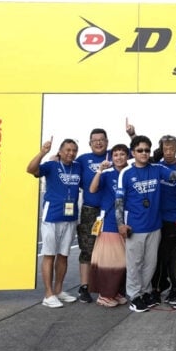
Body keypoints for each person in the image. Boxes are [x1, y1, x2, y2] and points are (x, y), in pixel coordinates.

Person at [115, 135, 176, 313]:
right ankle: (134, 296)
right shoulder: (126, 173)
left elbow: (173, 178)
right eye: (140, 150)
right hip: (135, 227)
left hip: (155, 226)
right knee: (135, 264)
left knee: (150, 264)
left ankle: (146, 292)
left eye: (147, 150)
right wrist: (121, 224)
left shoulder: (157, 168)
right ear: (133, 153)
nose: (144, 153)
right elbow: (119, 201)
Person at [26, 138, 81, 308]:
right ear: (60, 151)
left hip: (70, 218)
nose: (71, 153)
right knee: (49, 254)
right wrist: (43, 152)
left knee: (63, 255)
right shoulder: (51, 166)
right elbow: (30, 169)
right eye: (67, 150)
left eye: (74, 150)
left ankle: (58, 290)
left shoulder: (78, 167)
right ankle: (48, 294)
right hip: (52, 217)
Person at [88, 144, 130, 307]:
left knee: (122, 261)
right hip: (109, 223)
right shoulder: (107, 174)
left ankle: (115, 292)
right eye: (115, 155)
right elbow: (92, 189)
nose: (119, 157)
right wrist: (100, 170)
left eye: (122, 154)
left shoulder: (130, 173)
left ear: (128, 156)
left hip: (126, 221)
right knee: (110, 261)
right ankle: (104, 295)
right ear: (111, 158)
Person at [151, 135, 176, 304]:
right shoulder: (155, 166)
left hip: (174, 218)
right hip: (154, 219)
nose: (168, 152)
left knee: (172, 256)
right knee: (156, 257)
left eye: (171, 149)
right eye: (165, 149)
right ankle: (157, 288)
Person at [75, 128, 110, 303]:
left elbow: (137, 151)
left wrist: (132, 134)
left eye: (101, 139)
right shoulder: (82, 159)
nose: (98, 143)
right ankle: (84, 287)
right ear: (89, 143)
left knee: (110, 250)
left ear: (107, 142)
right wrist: (56, 157)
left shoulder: (115, 155)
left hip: (110, 211)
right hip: (90, 210)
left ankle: (108, 286)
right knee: (87, 249)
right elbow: (67, 163)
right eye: (94, 140)